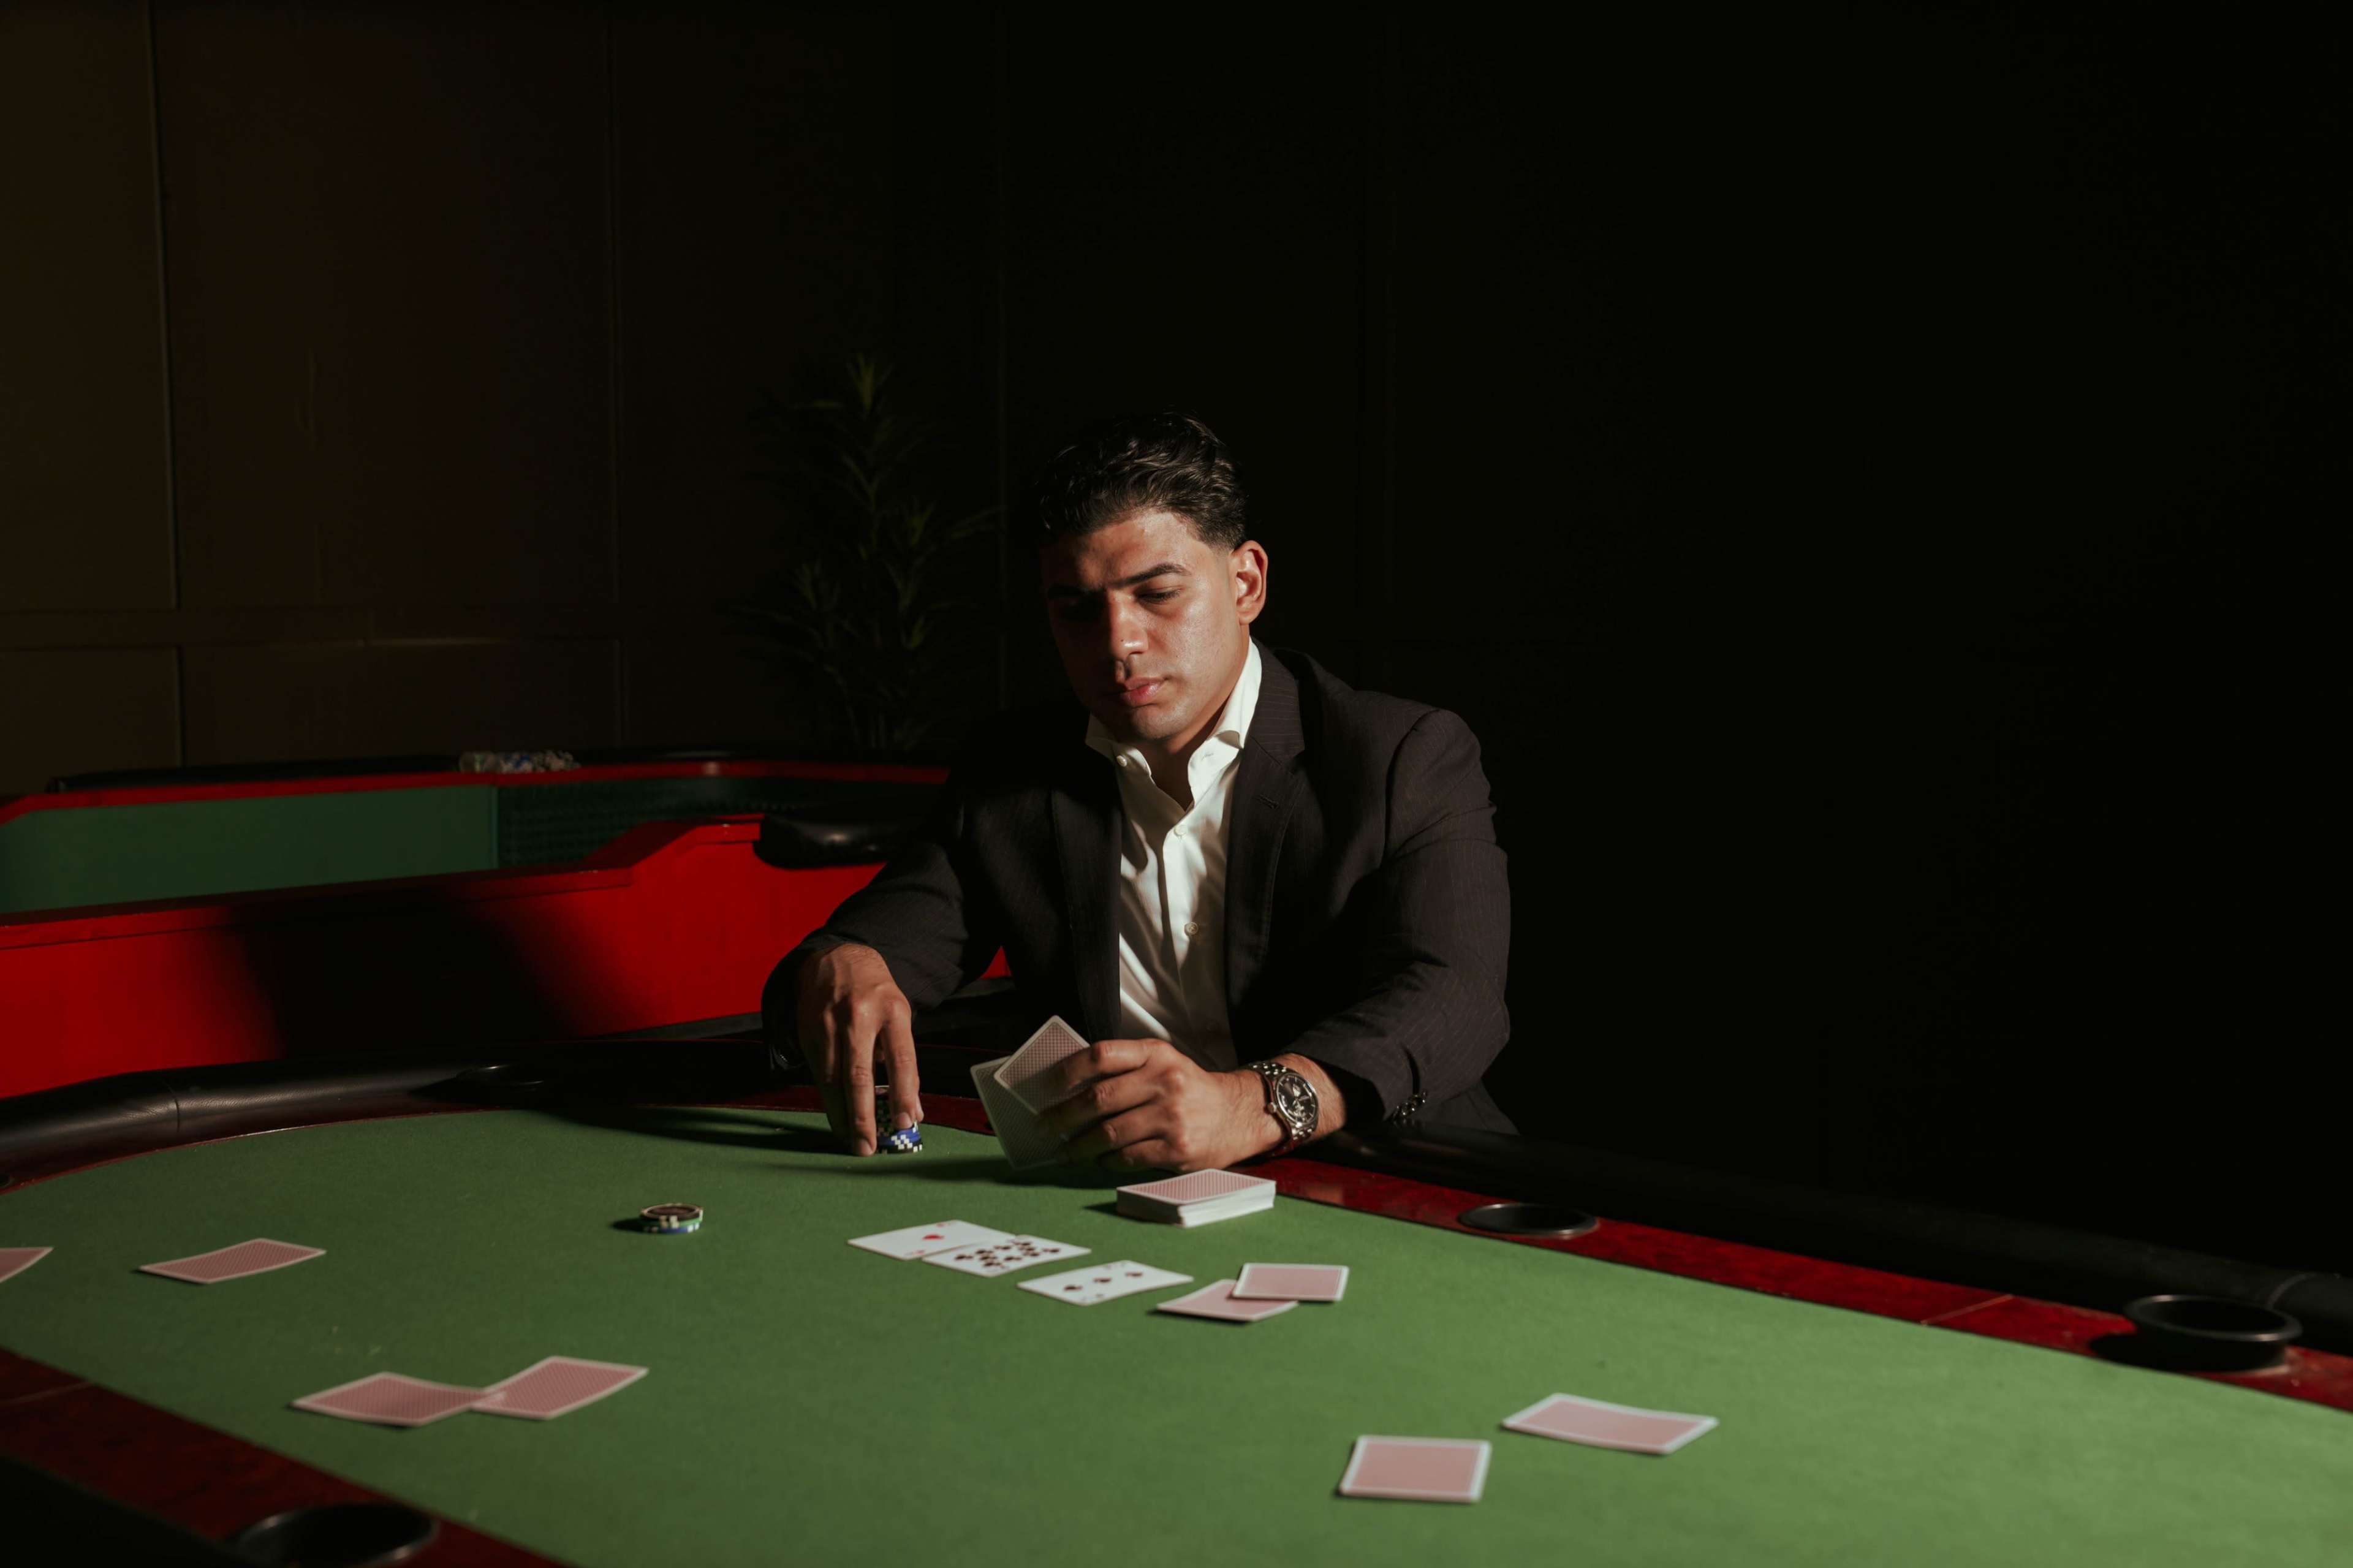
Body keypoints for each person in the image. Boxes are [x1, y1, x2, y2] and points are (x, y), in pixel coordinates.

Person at [764, 412, 1512, 1169]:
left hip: (1384, 1173)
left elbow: (1454, 995)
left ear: (1246, 583)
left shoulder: (1401, 754)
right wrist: (841, 962)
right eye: (1077, 609)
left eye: (1156, 594)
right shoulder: (1011, 771)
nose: (1117, 642)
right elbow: (879, 948)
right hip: (1121, 1195)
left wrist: (1253, 1105)